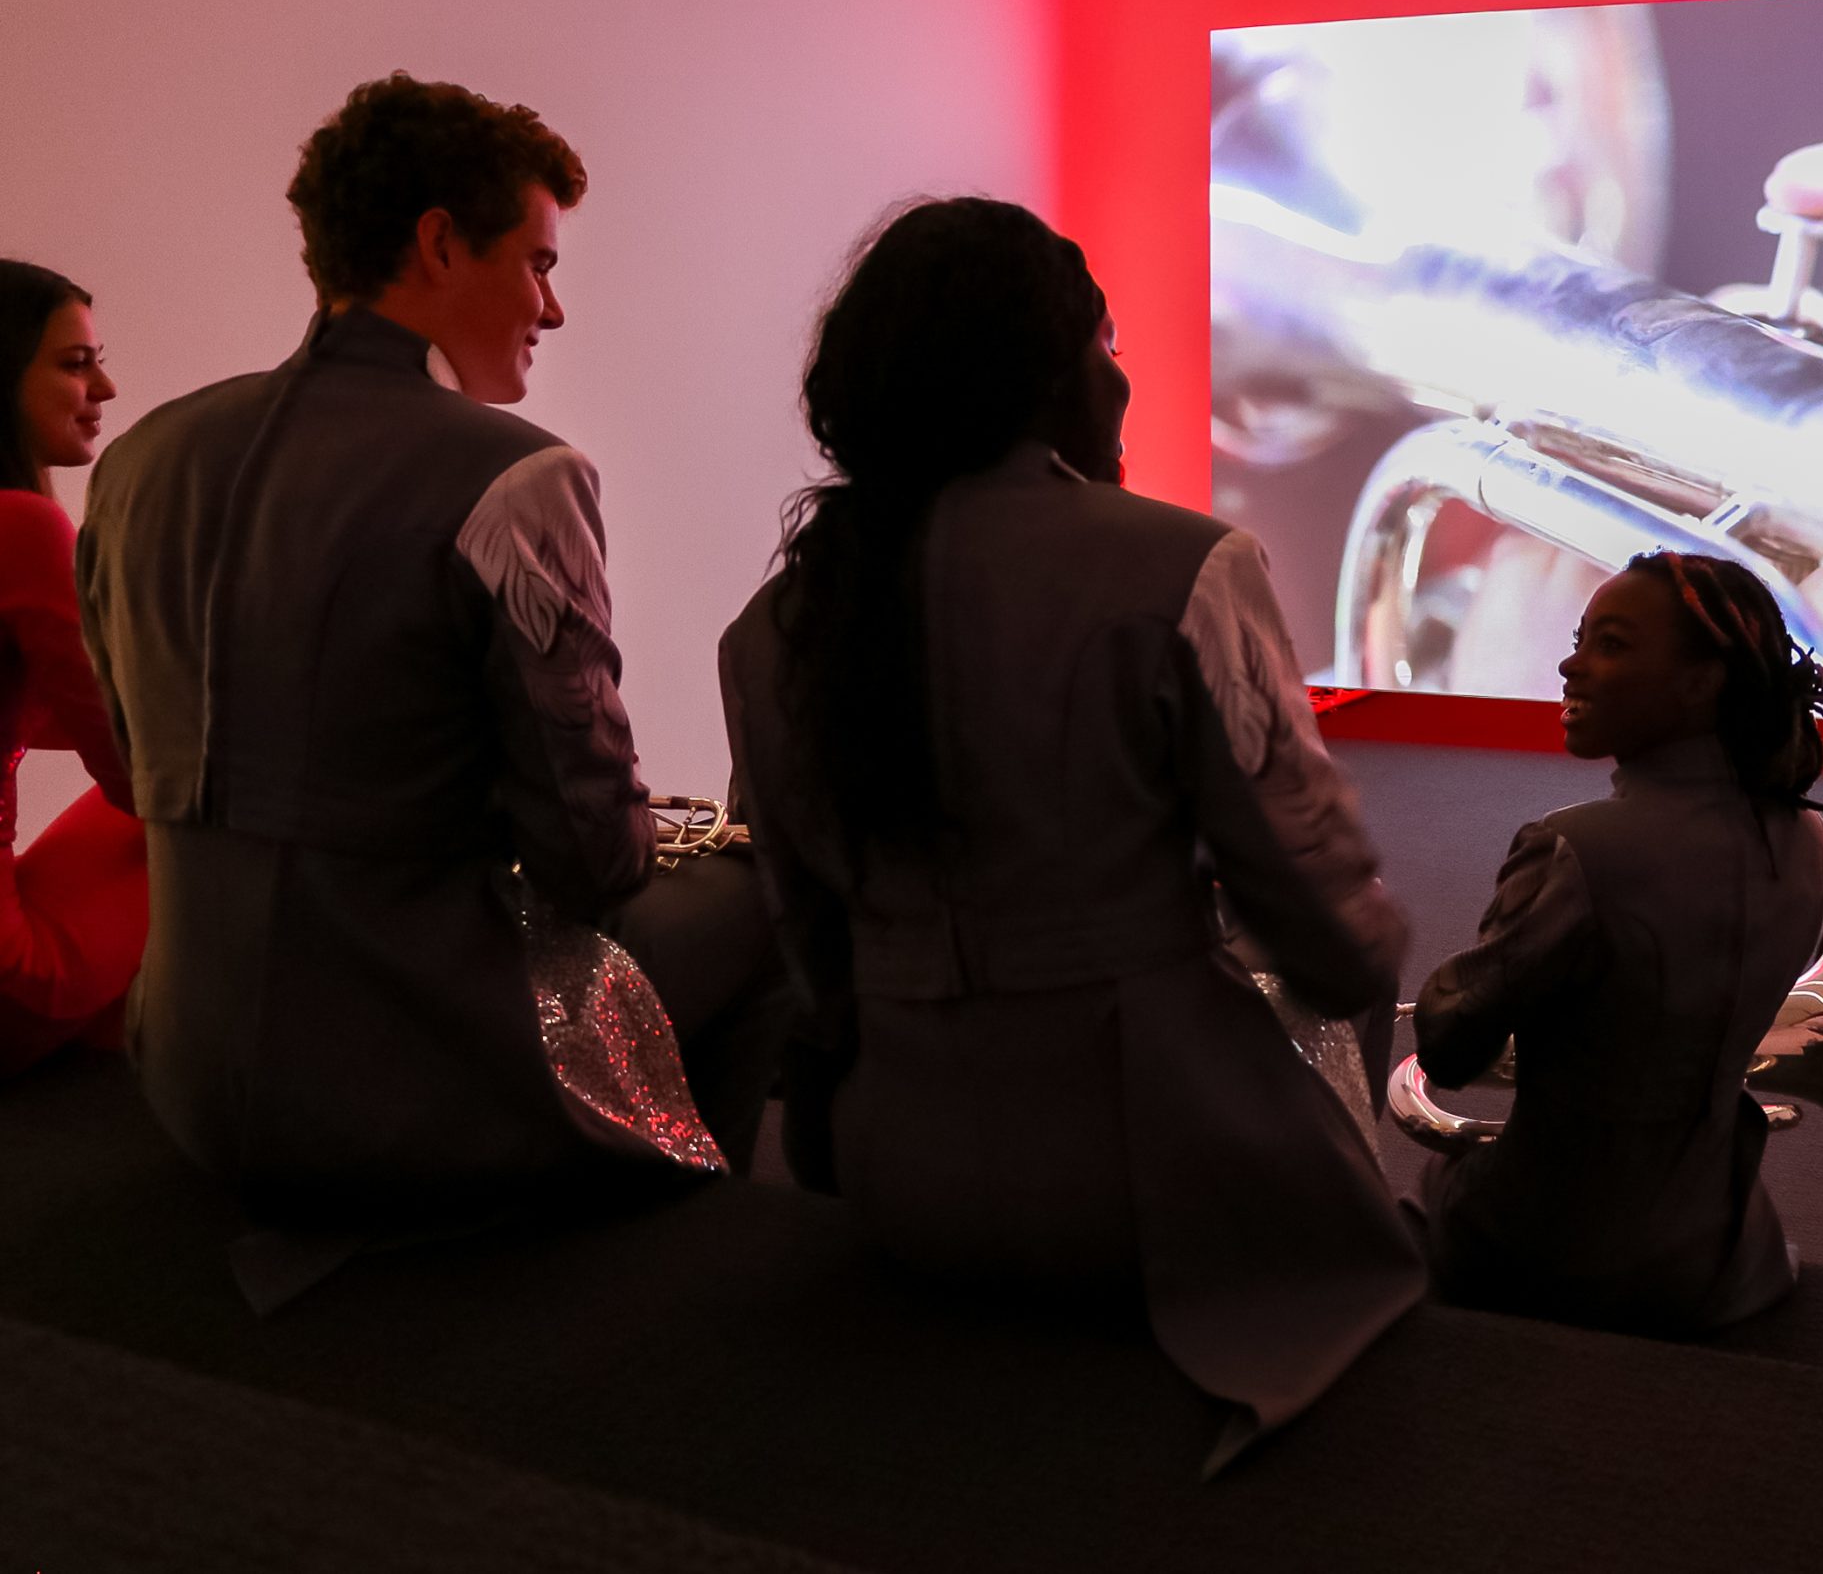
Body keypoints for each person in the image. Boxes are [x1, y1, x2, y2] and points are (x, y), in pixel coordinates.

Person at [719, 197, 1422, 1473]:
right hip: (1144, 1186)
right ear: (1044, 373)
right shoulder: (1185, 562)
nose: (1122, 374)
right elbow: (1328, 935)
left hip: (897, 1175)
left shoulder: (775, 624)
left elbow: (809, 946)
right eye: (1105, 341)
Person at [76, 76, 788, 1251]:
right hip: (407, 1085)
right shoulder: (516, 477)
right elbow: (589, 855)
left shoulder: (139, 459)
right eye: (540, 263)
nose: (550, 310)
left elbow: (125, 759)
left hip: (184, 1076)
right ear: (440, 244)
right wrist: (675, 829)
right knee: (766, 879)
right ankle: (672, 1238)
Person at [1414, 551, 1823, 1339]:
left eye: (1609, 643)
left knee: (1406, 1196)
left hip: (1565, 1253)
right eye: (1581, 638)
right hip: (1727, 1244)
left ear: (1698, 682)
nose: (1570, 663)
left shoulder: (1574, 847)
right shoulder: (1808, 837)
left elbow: (1444, 1046)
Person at [1, 261, 148, 1075]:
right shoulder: (22, 527)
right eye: (75, 363)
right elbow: (139, 773)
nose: (107, 386)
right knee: (239, 797)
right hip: (9, 980)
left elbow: (50, 713)